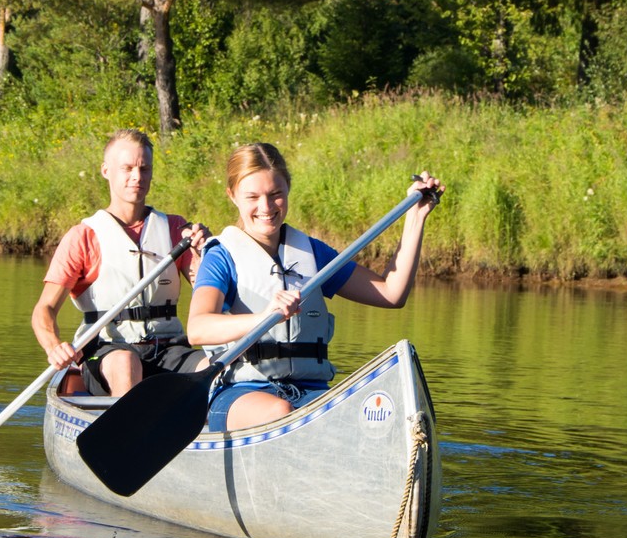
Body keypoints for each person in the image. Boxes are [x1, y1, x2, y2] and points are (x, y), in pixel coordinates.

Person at [187, 142, 441, 431]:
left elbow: (391, 293)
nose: (266, 207)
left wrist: (416, 217)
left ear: (288, 189)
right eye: (253, 197)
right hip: (240, 393)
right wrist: (264, 317)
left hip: (310, 392)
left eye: (275, 194)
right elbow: (198, 328)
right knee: (280, 410)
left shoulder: (312, 253)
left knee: (371, 417)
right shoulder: (221, 256)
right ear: (232, 196)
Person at [33, 129, 209, 396]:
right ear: (106, 170)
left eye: (144, 168)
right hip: (107, 351)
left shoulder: (175, 229)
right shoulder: (84, 236)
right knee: (127, 364)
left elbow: (206, 289)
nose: (137, 177)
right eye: (127, 168)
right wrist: (53, 345)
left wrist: (202, 252)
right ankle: (126, 431)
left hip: (170, 349)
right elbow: (44, 309)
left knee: (215, 370)